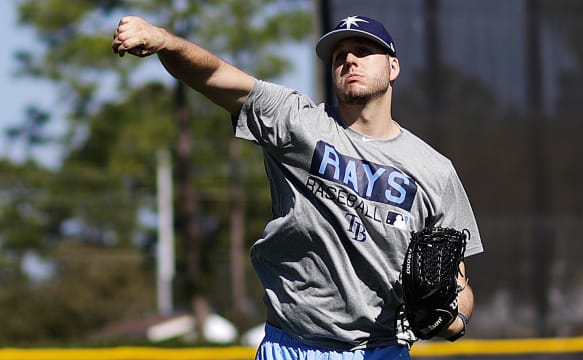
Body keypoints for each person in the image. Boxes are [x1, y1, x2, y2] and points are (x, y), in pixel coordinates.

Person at [113, 14, 484, 360]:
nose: (350, 60)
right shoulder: (297, 123)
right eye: (340, 55)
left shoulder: (435, 171)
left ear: (393, 67)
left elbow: (460, 285)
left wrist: (452, 321)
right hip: (292, 345)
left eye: (364, 51)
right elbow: (213, 76)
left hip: (380, 348)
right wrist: (164, 41)